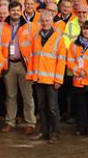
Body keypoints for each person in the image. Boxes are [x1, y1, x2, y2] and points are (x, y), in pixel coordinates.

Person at [29, 11, 67, 144]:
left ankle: (55, 133)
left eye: (47, 20)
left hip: (51, 80)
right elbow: (32, 58)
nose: (45, 23)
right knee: (41, 106)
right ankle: (43, 131)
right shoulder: (36, 37)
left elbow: (61, 61)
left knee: (52, 107)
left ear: (52, 22)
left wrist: (58, 80)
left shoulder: (58, 38)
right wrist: (32, 76)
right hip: (39, 79)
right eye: (43, 21)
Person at [3, 1, 37, 135]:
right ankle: (10, 121)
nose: (15, 12)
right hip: (9, 64)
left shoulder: (30, 27)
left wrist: (33, 67)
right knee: (10, 95)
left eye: (18, 10)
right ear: (9, 11)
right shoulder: (2, 26)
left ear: (21, 11)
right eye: (13, 10)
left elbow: (36, 48)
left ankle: (30, 122)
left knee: (27, 96)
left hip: (24, 65)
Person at [67, 21, 88, 137]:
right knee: (80, 107)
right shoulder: (74, 45)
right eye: (85, 29)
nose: (86, 31)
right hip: (78, 81)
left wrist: (86, 72)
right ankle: (81, 127)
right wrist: (78, 70)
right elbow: (70, 61)